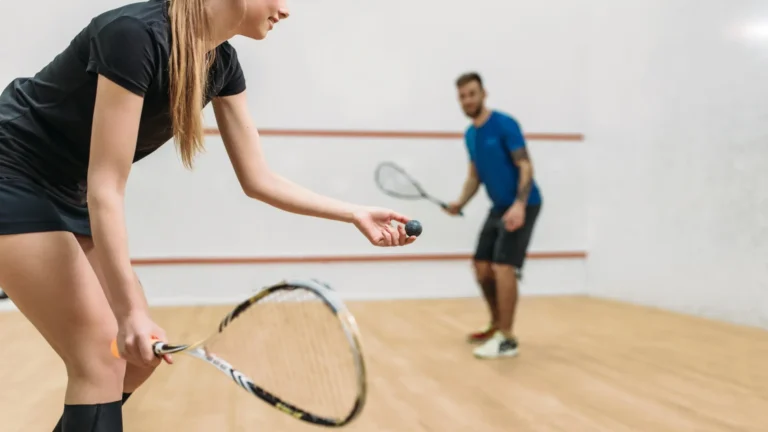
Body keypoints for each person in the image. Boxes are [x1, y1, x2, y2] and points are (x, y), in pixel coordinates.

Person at [0, 0, 418, 430]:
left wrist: (354, 213)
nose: (286, 9)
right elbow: (107, 186)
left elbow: (259, 179)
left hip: (67, 192)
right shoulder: (133, 35)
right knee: (101, 358)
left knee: (136, 360)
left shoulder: (222, 65)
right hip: (11, 173)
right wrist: (129, 314)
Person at [444, 72, 542, 360]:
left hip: (524, 203)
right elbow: (475, 175)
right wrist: (460, 202)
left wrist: (519, 205)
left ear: (484, 93)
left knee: (503, 267)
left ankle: (508, 338)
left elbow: (525, 165)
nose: (467, 100)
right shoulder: (470, 135)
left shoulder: (504, 124)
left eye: (472, 93)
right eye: (462, 96)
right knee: (481, 267)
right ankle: (496, 325)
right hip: (498, 206)